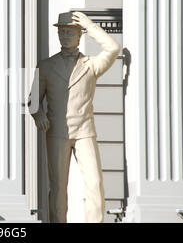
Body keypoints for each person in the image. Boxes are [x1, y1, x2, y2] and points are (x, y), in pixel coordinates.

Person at [29, 11, 120, 223]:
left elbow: (113, 48)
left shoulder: (91, 65)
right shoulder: (46, 66)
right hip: (57, 132)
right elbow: (33, 100)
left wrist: (90, 26)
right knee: (58, 188)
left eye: (70, 32)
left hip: (85, 132)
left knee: (95, 184)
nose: (65, 36)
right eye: (61, 32)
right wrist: (39, 114)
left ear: (80, 35)